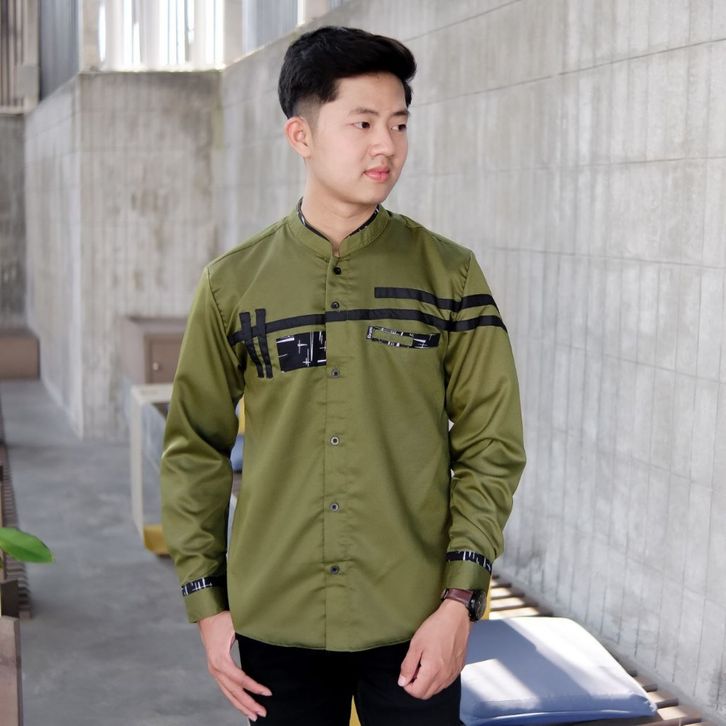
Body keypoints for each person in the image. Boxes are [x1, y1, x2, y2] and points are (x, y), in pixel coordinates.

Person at [160, 25, 526, 726]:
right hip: (275, 620)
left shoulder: (449, 275)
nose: (386, 144)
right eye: (362, 123)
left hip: (415, 619)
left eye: (399, 124)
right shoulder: (233, 284)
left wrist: (459, 600)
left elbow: (492, 444)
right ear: (301, 135)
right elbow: (194, 447)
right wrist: (207, 606)